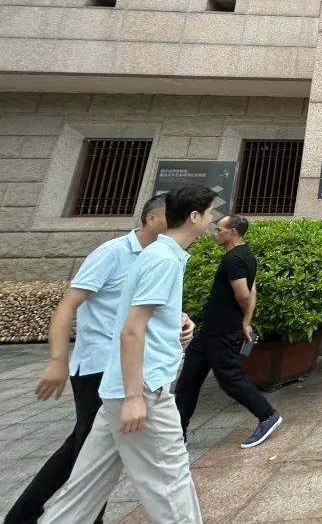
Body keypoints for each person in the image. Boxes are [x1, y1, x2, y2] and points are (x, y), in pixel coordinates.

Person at [5, 196, 194, 524]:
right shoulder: (112, 253)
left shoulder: (160, 257)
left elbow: (145, 307)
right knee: (87, 455)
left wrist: (179, 319)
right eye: (172, 215)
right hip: (100, 367)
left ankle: (33, 516)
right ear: (152, 218)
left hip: (129, 368)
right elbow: (68, 305)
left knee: (89, 457)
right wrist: (58, 359)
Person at [42, 186, 218, 524]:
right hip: (145, 388)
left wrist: (177, 321)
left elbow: (143, 318)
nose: (212, 220)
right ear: (194, 217)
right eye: (210, 213)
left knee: (84, 490)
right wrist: (135, 397)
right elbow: (131, 331)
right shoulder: (162, 259)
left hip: (119, 389)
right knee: (170, 483)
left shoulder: (158, 255)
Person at [175, 215, 282, 448]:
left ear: (233, 232)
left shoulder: (234, 259)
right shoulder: (246, 255)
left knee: (230, 377)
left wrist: (243, 320)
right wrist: (247, 321)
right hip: (210, 330)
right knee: (188, 379)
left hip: (223, 330)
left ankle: (267, 415)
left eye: (219, 230)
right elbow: (253, 290)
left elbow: (243, 294)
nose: (216, 233)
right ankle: (176, 433)